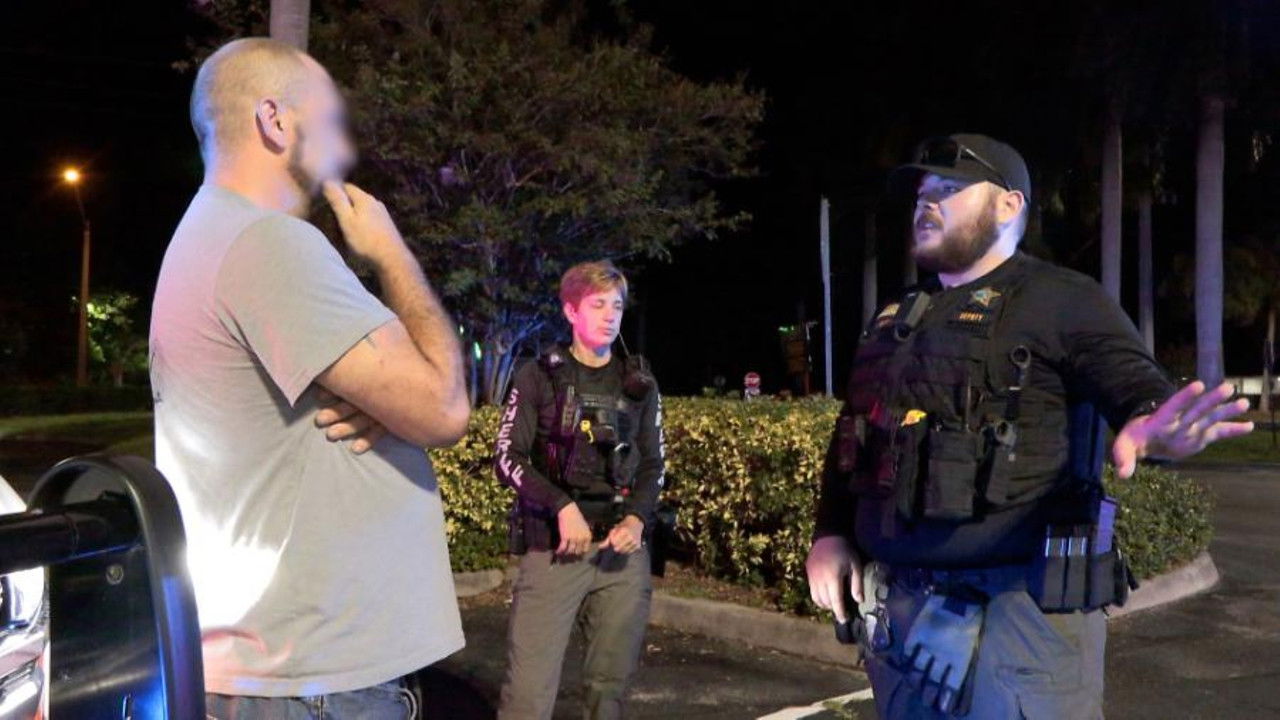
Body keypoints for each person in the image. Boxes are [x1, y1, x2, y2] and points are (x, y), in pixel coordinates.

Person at [804, 133, 1253, 719]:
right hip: (904, 611)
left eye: (949, 188)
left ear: (1009, 205)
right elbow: (856, 435)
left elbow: (1134, 385)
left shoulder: (1061, 300)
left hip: (1020, 616)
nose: (926, 202)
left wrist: (1152, 427)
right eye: (921, 192)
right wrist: (831, 533)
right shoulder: (895, 316)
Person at [150, 37, 470, 718]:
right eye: (327, 119)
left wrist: (385, 400)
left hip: (282, 672)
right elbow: (443, 405)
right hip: (312, 680)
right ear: (274, 120)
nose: (343, 145)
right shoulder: (268, 242)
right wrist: (391, 253)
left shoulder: (209, 234)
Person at [493, 260, 665, 720]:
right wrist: (561, 505)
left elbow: (654, 464)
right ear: (571, 311)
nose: (610, 315)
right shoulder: (537, 376)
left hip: (620, 555)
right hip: (554, 551)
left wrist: (637, 519)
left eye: (617, 306)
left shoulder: (640, 385)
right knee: (528, 698)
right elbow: (507, 457)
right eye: (598, 304)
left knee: (608, 694)